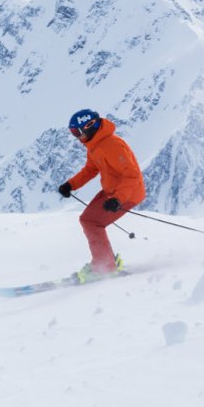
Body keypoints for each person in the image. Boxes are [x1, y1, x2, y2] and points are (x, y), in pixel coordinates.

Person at [57, 108, 146, 283]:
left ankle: (105, 266)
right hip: (111, 191)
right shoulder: (95, 145)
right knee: (88, 220)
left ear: (89, 126)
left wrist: (118, 199)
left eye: (77, 132)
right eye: (72, 132)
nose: (76, 136)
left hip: (127, 193)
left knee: (92, 222)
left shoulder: (112, 145)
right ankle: (106, 261)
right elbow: (91, 169)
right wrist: (71, 185)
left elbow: (132, 175)